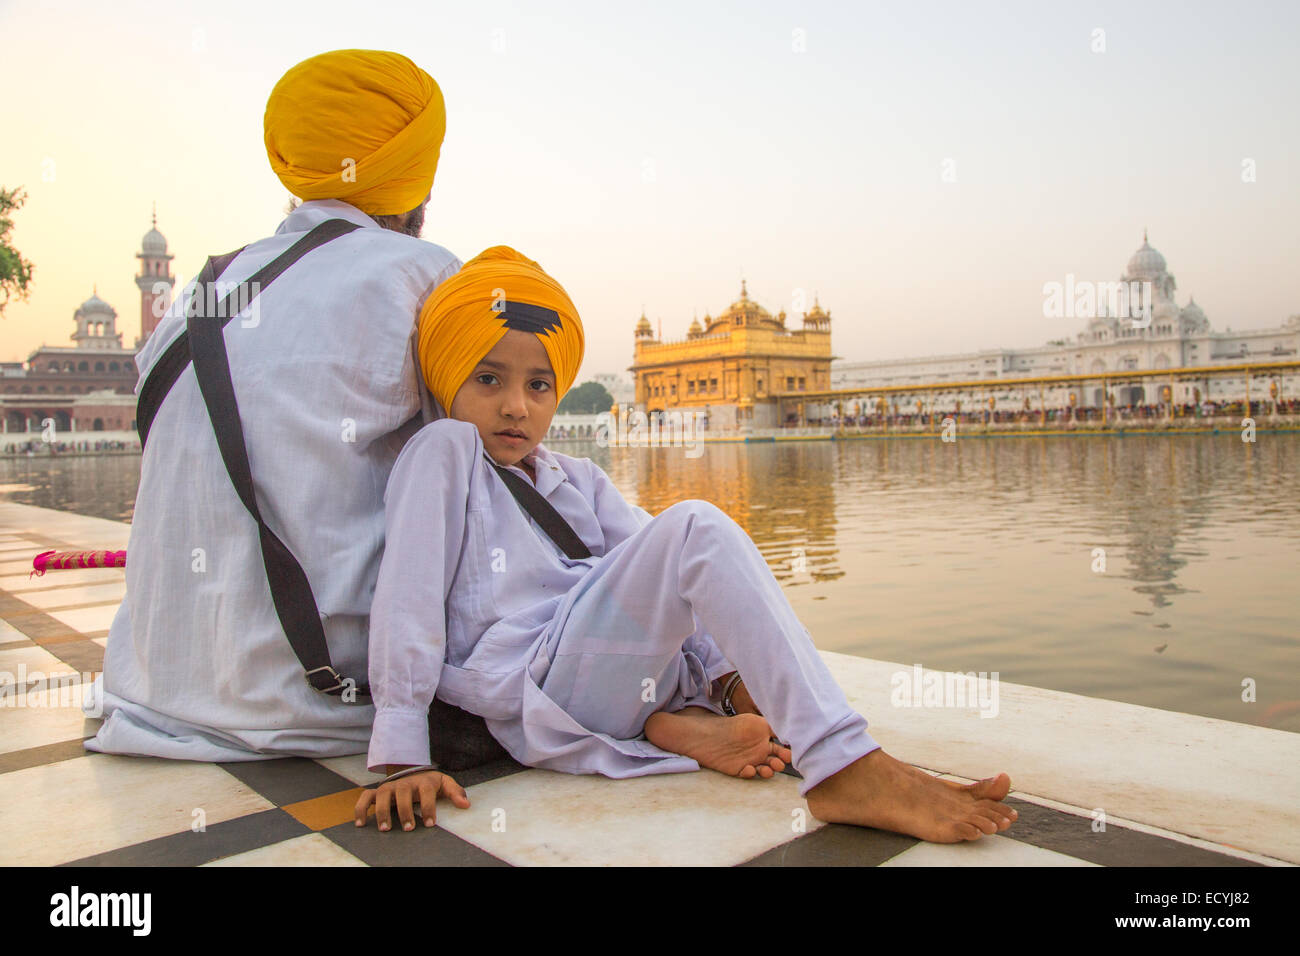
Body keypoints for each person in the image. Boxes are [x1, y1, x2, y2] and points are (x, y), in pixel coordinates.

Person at [354, 247, 1019, 843]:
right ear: (446, 379)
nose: (515, 407)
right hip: (537, 678)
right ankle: (842, 764)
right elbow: (407, 596)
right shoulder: (445, 451)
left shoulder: (574, 477)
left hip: (603, 674)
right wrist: (400, 749)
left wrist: (728, 678)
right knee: (695, 526)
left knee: (677, 542)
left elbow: (671, 577)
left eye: (538, 385)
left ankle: (691, 713)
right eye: (488, 379)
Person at [84, 50, 461, 761]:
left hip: (152, 690)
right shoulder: (423, 274)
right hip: (326, 703)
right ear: (417, 182)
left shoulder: (193, 299)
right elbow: (490, 482)